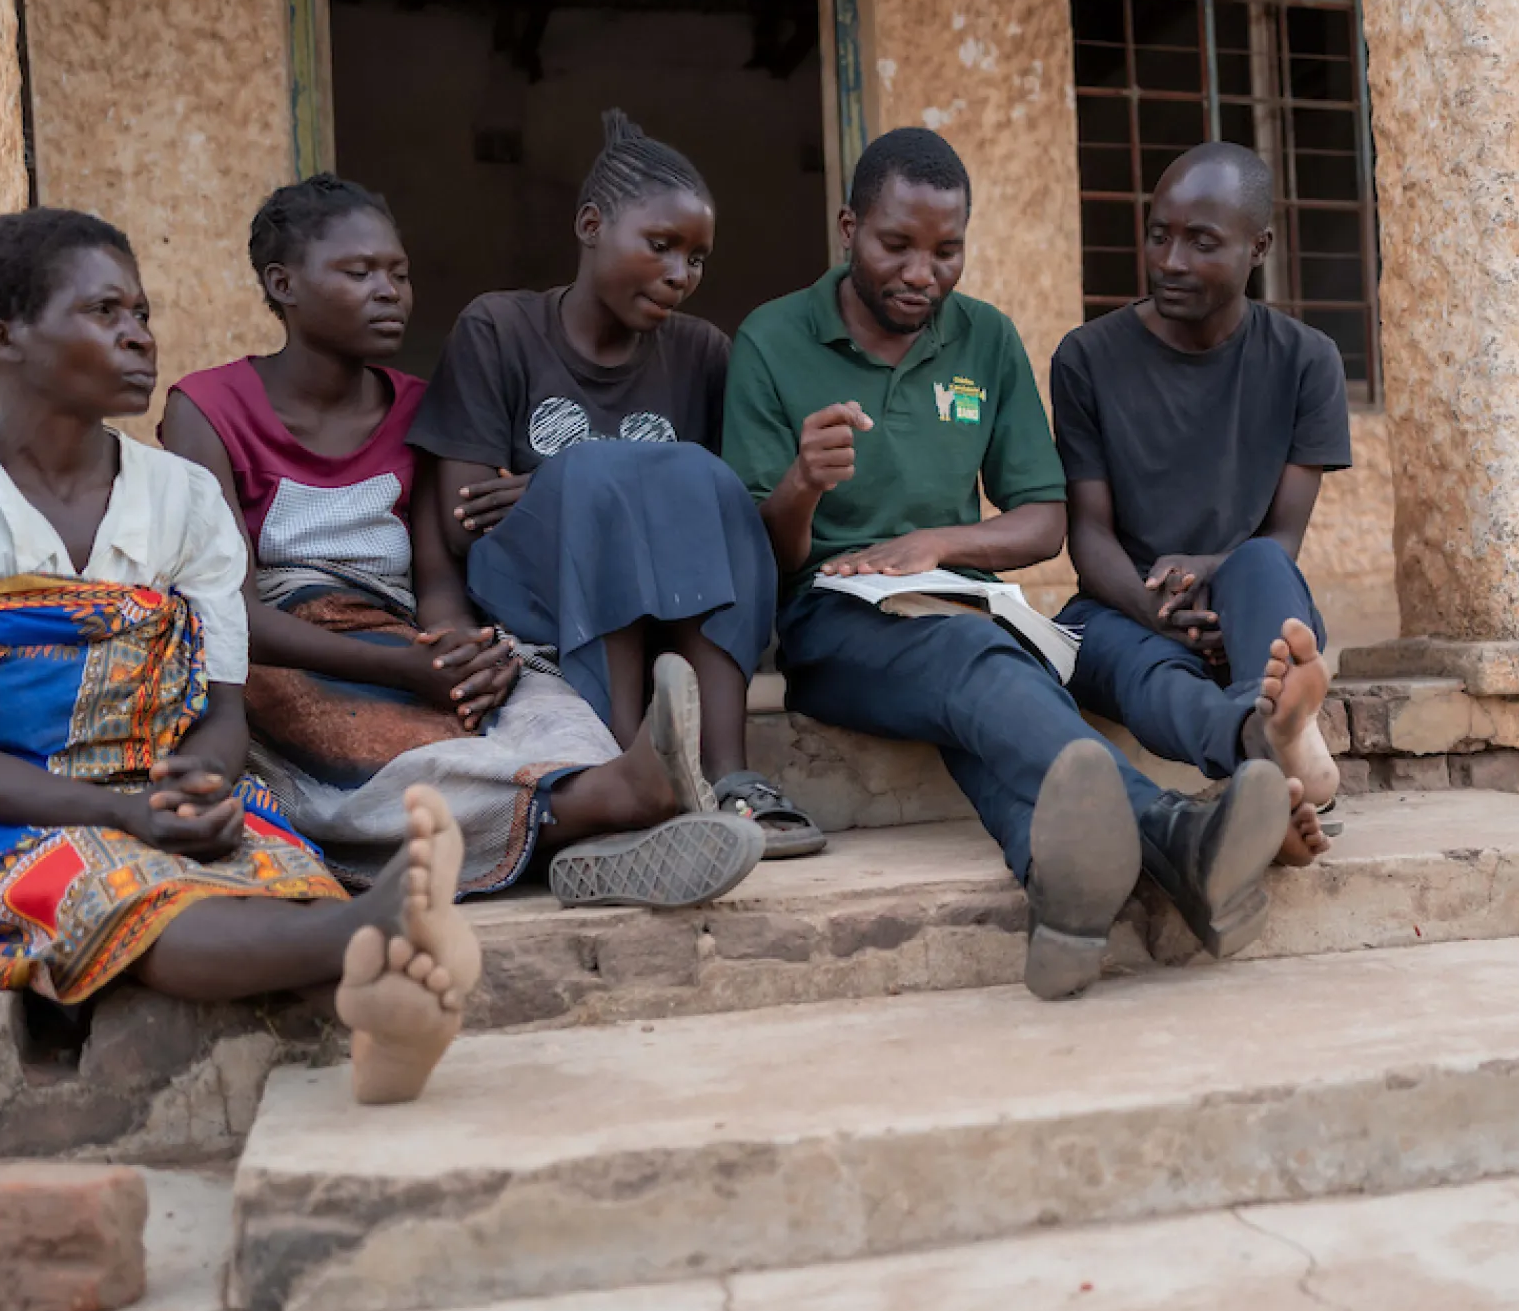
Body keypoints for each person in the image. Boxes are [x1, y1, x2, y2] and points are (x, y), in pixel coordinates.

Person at [0, 207, 471, 1106]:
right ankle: (368, 941)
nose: (140, 336)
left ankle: (381, 996)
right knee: (122, 891)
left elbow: (221, 708)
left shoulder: (180, 496)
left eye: (142, 311)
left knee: (276, 880)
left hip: (151, 795)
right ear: (3, 336)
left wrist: (203, 788)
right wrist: (127, 817)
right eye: (105, 313)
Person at [724, 127, 1291, 1002]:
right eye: (896, 246)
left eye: (947, 251)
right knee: (978, 666)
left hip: (965, 604)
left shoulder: (984, 338)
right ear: (847, 228)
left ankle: (1063, 903)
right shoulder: (770, 341)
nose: (923, 273)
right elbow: (764, 556)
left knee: (986, 693)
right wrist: (802, 484)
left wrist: (940, 545)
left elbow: (1043, 521)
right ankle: (1175, 834)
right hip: (830, 622)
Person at [158, 174, 762, 909]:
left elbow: (437, 575)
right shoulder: (208, 408)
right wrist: (405, 669)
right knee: (365, 756)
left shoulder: (414, 403)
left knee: (536, 699)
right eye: (360, 273)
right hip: (286, 642)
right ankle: (610, 808)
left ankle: (607, 802)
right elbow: (232, 612)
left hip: (402, 627)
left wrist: (457, 651)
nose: (390, 291)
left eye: (399, 274)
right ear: (282, 285)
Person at [407, 110, 824, 858]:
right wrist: (579, 483)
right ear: (592, 224)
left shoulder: (702, 353)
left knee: (694, 474)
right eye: (661, 246)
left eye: (697, 258)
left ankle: (730, 775)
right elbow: (465, 519)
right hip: (532, 599)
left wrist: (542, 486)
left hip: (666, 607)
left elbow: (721, 523)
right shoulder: (498, 329)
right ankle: (616, 764)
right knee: (613, 475)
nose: (681, 275)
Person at [1053, 143, 1347, 866]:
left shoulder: (1306, 361)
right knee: (1138, 667)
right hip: (1119, 606)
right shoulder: (1087, 358)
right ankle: (1268, 750)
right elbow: (1087, 535)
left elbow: (1283, 537)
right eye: (1159, 234)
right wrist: (1156, 608)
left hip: (1250, 608)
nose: (1171, 260)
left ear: (1259, 248)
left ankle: (1268, 750)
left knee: (1257, 564)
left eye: (1201, 242)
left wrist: (1211, 573)